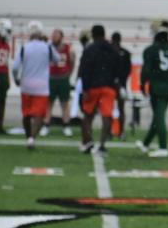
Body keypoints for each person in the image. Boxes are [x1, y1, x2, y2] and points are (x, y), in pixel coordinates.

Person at [11, 20, 60, 150]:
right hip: (42, 85)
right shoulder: (47, 46)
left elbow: (15, 67)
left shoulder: (25, 47)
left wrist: (16, 79)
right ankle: (32, 138)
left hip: (26, 84)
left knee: (26, 114)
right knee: (39, 114)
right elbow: (57, 59)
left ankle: (28, 137)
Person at [137, 18, 168, 158]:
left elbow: (146, 70)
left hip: (157, 86)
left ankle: (163, 147)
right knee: (157, 117)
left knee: (159, 117)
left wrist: (142, 84)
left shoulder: (150, 50)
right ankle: (146, 144)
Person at [77, 24, 120, 154]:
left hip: (93, 86)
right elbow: (118, 68)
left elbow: (84, 70)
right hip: (109, 86)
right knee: (106, 115)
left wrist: (85, 88)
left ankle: (88, 141)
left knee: (88, 115)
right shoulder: (112, 48)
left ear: (93, 34)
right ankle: (102, 144)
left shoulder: (89, 49)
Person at [44, 28, 76, 137]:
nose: (54, 38)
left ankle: (66, 125)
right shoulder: (48, 47)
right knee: (49, 103)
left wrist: (68, 74)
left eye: (56, 36)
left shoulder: (68, 48)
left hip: (63, 78)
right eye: (53, 36)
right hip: (51, 78)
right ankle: (46, 125)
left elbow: (72, 61)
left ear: (61, 37)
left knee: (65, 103)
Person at [110, 31, 132, 140]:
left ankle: (111, 132)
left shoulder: (108, 52)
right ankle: (120, 132)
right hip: (121, 85)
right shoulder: (125, 52)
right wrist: (122, 83)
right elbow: (128, 70)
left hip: (110, 84)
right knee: (120, 108)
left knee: (110, 108)